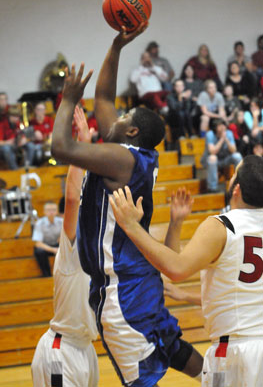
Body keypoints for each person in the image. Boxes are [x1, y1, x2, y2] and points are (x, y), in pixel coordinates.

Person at [51, 25, 203, 387]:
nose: (113, 117)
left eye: (124, 118)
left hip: (122, 293)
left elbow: (61, 148)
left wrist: (69, 98)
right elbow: (104, 97)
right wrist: (117, 45)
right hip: (138, 279)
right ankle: (225, 379)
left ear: (131, 132)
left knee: (141, 381)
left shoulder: (122, 159)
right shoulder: (131, 155)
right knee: (172, 347)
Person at [110, 155, 263, 387]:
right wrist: (176, 223)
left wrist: (131, 226)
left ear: (237, 189)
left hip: (234, 353)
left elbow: (177, 269)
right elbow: (240, 293)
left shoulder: (223, 225)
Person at [31, 106, 99, 387]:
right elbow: (72, 200)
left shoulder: (102, 253)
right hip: (61, 350)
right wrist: (81, 146)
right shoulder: (72, 249)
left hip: (87, 350)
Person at [201, 119, 242, 192]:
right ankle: (212, 188)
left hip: (224, 159)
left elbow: (234, 150)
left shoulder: (229, 133)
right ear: (215, 127)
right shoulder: (210, 134)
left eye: (223, 125)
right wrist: (222, 139)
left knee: (237, 156)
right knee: (212, 158)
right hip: (209, 160)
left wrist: (226, 140)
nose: (223, 127)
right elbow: (212, 151)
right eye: (220, 125)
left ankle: (240, 182)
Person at [32, 201, 63, 277]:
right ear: (44, 212)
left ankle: (65, 272)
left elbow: (66, 238)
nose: (51, 212)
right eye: (49, 210)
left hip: (58, 244)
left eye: (53, 210)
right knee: (39, 251)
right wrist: (53, 250)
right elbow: (38, 243)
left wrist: (61, 241)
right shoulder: (39, 223)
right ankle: (46, 274)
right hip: (45, 247)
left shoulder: (62, 222)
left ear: (57, 211)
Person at [0, 104, 35, 169]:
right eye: (14, 116)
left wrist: (24, 139)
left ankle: (26, 167)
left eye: (18, 116)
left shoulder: (19, 124)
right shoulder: (2, 125)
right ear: (9, 116)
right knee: (6, 148)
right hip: (6, 147)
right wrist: (7, 142)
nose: (17, 118)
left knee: (31, 146)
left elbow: (27, 136)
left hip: (17, 145)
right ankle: (15, 169)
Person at [166, 79, 193, 144]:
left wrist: (187, 99)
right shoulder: (170, 97)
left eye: (181, 86)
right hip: (173, 118)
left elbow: (189, 108)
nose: (179, 88)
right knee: (180, 113)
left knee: (186, 112)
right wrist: (180, 99)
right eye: (177, 86)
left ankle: (191, 134)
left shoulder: (186, 96)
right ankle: (181, 135)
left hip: (185, 117)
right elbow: (174, 109)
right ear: (174, 87)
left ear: (183, 87)